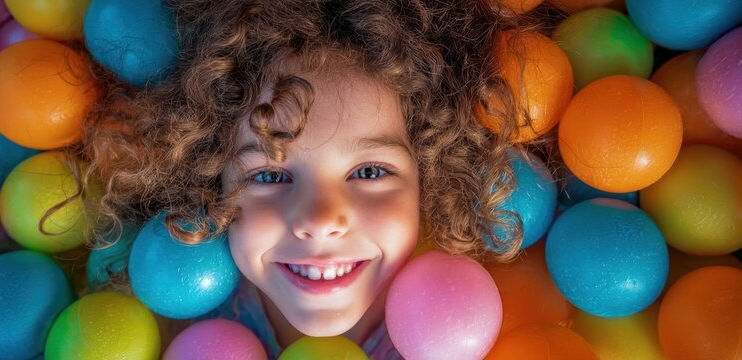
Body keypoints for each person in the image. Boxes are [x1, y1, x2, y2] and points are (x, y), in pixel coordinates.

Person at [67, 0, 562, 358]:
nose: (321, 220)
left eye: (369, 172)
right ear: (206, 178)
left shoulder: (474, 322)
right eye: (273, 174)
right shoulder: (168, 321)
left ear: (430, 180)